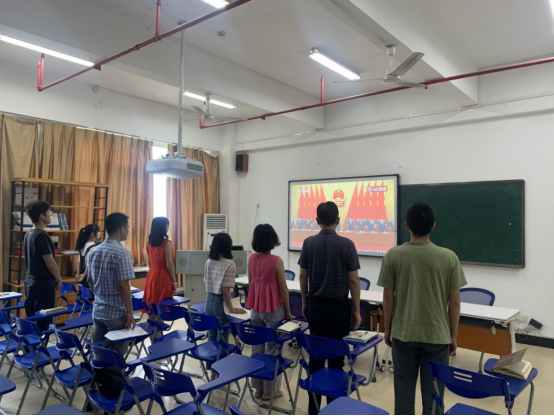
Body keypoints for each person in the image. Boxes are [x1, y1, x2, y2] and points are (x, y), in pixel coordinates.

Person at [378, 202, 467, 416]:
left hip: (403, 334)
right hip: (437, 336)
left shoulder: (393, 255)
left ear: (406, 225)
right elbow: (455, 302)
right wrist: (453, 335)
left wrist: (387, 329)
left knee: (403, 394)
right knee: (434, 395)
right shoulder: (449, 257)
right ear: (433, 226)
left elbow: (388, 296)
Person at [299, 202, 362, 415]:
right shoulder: (347, 245)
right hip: (339, 309)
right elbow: (353, 280)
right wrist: (356, 310)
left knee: (316, 359)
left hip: (316, 307)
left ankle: (313, 409)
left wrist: (305, 301)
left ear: (317, 220)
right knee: (336, 360)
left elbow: (303, 275)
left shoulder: (308, 243)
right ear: (338, 220)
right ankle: (334, 409)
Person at [246, 224, 292, 401]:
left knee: (257, 348)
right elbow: (283, 288)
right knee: (272, 350)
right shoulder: (277, 261)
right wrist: (288, 310)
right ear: (272, 240)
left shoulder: (251, 258)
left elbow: (251, 282)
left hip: (255, 308)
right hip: (273, 309)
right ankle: (269, 391)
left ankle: (258, 388)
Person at [88, 212, 136, 357]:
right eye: (127, 227)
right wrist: (129, 312)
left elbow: (90, 280)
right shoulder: (122, 253)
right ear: (121, 229)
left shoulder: (94, 251)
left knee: (99, 354)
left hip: (98, 311)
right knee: (116, 357)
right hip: (116, 314)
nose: (128, 230)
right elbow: (123, 285)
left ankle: (98, 373)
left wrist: (100, 296)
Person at [204, 233, 246, 378]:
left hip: (208, 300)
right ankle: (219, 370)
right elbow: (225, 290)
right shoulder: (229, 264)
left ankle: (212, 371)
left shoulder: (209, 261)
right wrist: (232, 308)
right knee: (222, 337)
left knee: (211, 335)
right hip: (220, 302)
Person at [23, 201, 62, 331]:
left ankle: (33, 343)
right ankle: (41, 344)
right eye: (49, 211)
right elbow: (50, 263)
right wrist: (58, 278)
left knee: (32, 319)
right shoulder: (41, 235)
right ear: (42, 215)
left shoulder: (28, 234)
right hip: (43, 285)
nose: (51, 214)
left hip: (30, 282)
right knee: (43, 323)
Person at [144, 217, 178, 310]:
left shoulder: (149, 244)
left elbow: (149, 263)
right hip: (163, 276)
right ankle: (161, 319)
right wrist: (174, 282)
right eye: (167, 225)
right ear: (164, 227)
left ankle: (153, 319)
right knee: (163, 304)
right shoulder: (167, 243)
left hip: (151, 275)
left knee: (152, 302)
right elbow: (169, 264)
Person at [75, 224, 101, 288]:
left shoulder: (83, 246)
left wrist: (78, 273)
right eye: (98, 231)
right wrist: (84, 275)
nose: (99, 233)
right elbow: (89, 264)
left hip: (82, 277)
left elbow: (79, 261)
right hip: (89, 278)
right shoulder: (94, 247)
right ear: (92, 234)